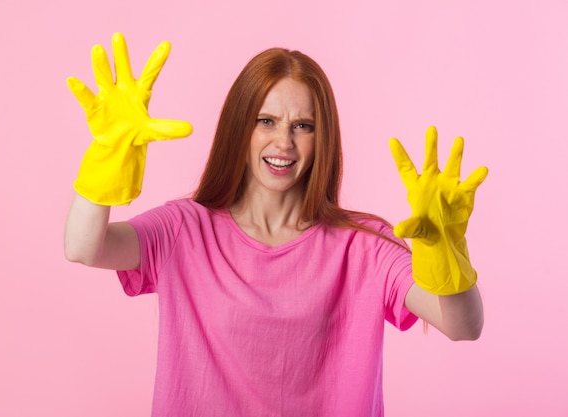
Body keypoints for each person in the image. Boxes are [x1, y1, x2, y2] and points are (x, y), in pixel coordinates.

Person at [65, 32, 488, 417]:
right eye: (266, 121)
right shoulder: (183, 229)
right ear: (239, 126)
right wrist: (104, 163)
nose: (283, 142)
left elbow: (463, 326)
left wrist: (446, 248)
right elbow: (85, 247)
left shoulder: (364, 246)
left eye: (302, 126)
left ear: (323, 139)